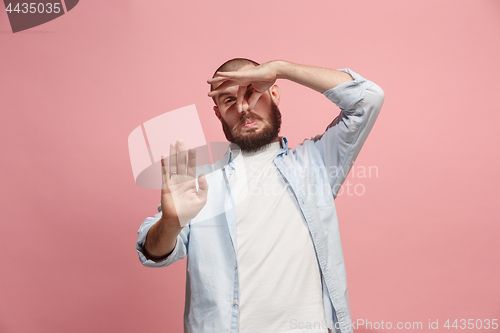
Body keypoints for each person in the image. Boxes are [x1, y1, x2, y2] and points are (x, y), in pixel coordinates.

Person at [136, 58, 385, 333]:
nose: (243, 107)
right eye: (229, 101)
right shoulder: (198, 184)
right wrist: (171, 222)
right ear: (218, 114)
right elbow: (152, 252)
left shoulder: (316, 164)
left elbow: (368, 99)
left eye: (252, 92)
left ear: (274, 93)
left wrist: (281, 69)